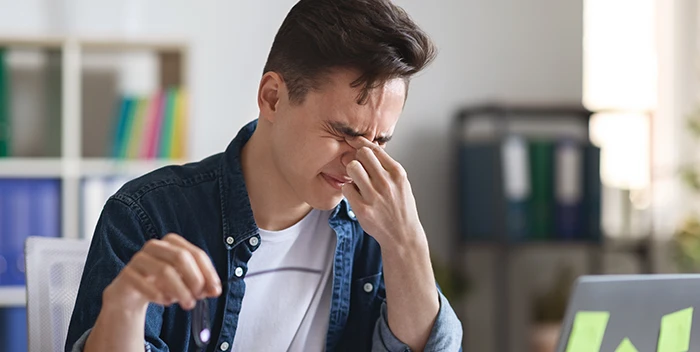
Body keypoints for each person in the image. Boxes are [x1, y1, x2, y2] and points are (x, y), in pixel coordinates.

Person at [65, 0, 463, 351]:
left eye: (380, 141)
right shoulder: (146, 216)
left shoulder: (376, 230)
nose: (358, 163)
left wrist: (406, 241)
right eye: (343, 132)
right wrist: (125, 307)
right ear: (272, 98)